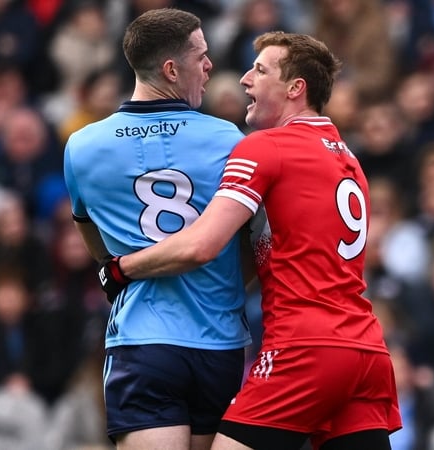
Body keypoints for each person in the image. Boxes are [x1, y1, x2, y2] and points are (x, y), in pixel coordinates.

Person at [101, 31, 402, 450]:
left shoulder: (266, 147)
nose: (244, 79)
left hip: (304, 348)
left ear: (296, 88)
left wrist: (120, 268)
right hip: (366, 350)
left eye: (260, 70)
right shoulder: (347, 157)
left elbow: (201, 245)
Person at [62, 8, 252, 450]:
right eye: (201, 56)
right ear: (171, 69)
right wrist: (218, 281)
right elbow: (252, 247)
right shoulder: (230, 141)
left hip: (141, 342)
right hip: (217, 341)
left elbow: (99, 250)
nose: (209, 66)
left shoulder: (82, 146)